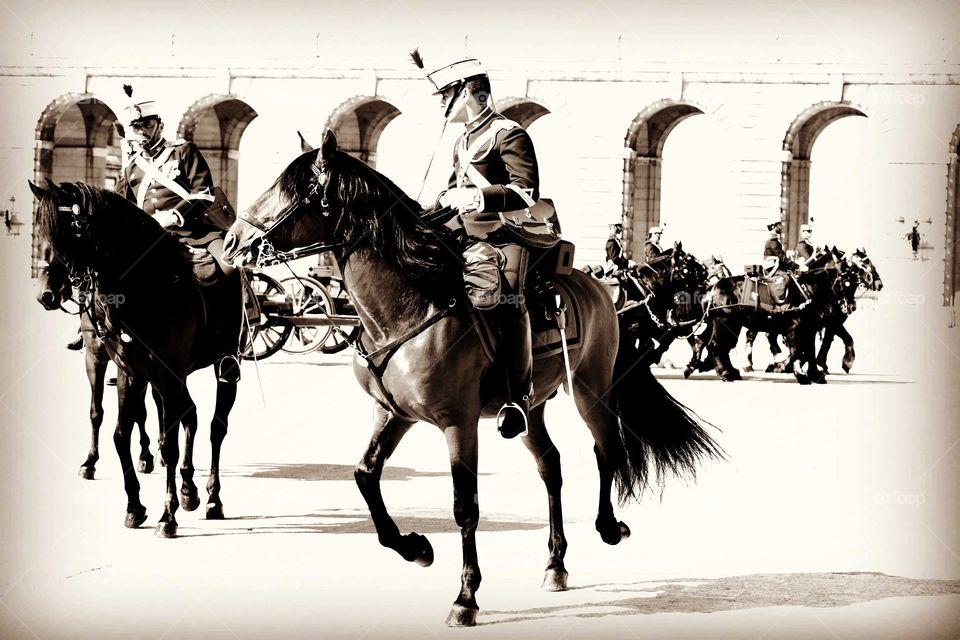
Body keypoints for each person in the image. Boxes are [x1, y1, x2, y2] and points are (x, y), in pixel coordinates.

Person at [420, 55, 539, 439]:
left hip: (507, 235)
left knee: (509, 298)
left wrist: (475, 199)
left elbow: (525, 192)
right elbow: (451, 191)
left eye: (444, 97)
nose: (440, 104)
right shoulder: (463, 140)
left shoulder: (510, 133)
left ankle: (519, 396)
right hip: (463, 234)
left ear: (467, 93)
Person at [113, 86, 241, 383]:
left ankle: (228, 352)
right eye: (136, 126)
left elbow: (205, 194)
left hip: (196, 233)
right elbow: (124, 208)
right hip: (150, 241)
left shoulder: (183, 151)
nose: (142, 131)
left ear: (159, 125)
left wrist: (174, 215)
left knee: (231, 268)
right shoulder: (131, 167)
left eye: (146, 124)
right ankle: (114, 343)